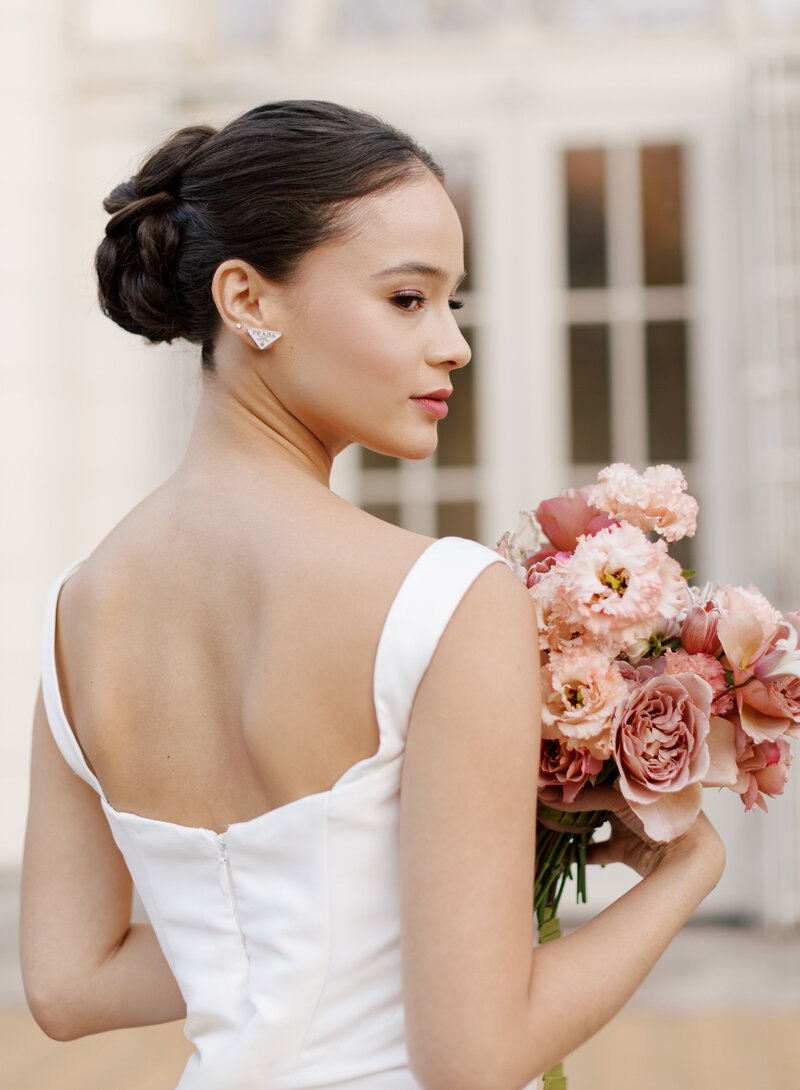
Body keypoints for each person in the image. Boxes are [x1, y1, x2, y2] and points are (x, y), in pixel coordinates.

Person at [20, 100, 724, 1090]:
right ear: (246, 299)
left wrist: (330, 928)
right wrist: (687, 872)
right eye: (406, 298)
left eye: (453, 304)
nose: (452, 346)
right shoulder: (438, 599)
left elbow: (69, 983)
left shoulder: (73, 612)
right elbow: (471, 1059)